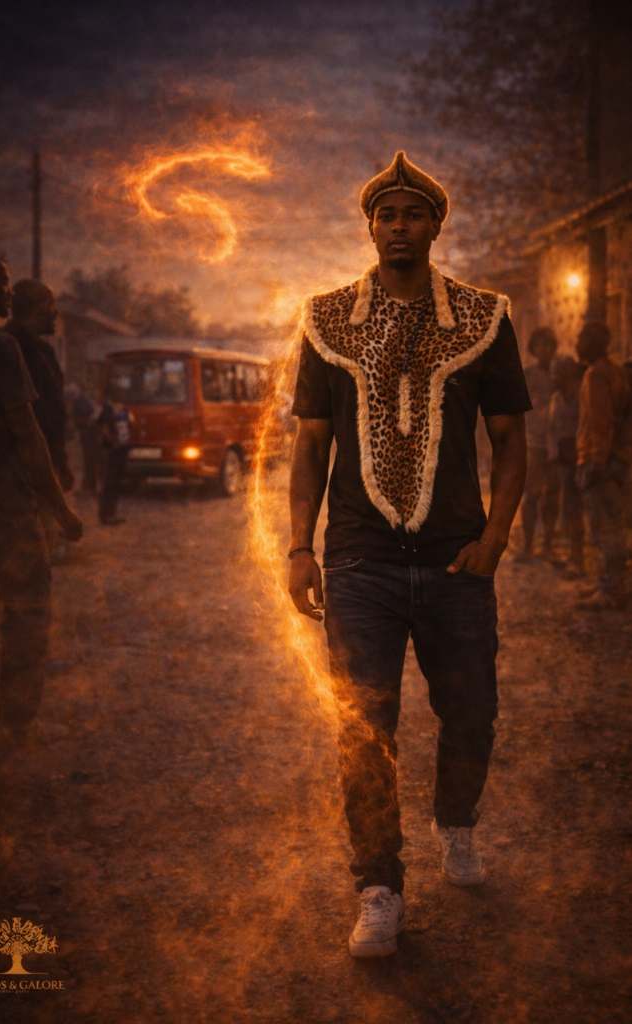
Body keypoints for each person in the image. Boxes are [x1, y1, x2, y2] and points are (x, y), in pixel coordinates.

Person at [288, 151, 530, 958]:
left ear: (434, 225)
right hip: (359, 562)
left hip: (457, 559)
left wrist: (493, 539)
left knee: (471, 712)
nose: (398, 228)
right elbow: (310, 449)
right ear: (369, 226)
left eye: (412, 215)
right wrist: (298, 545)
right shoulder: (326, 321)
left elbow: (509, 439)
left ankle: (455, 823)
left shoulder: (481, 317)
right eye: (385, 216)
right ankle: (379, 887)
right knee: (364, 728)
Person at [0, 253, 83, 756]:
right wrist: (62, 509)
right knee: (26, 606)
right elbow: (28, 435)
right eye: (2, 285)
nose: (7, 295)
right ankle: (15, 718)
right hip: (3, 500)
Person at [6, 279, 74, 556]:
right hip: (22, 468)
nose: (55, 313)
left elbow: (52, 415)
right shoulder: (9, 348)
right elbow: (35, 420)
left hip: (42, 462)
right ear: (33, 309)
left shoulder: (41, 350)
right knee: (28, 554)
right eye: (50, 305)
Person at [574, 322, 631, 610]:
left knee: (605, 529)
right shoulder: (616, 371)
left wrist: (596, 462)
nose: (577, 342)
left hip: (599, 463)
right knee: (613, 526)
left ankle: (611, 591)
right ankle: (608, 584)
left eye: (582, 338)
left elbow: (601, 423)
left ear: (594, 342)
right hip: (616, 461)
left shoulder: (595, 375)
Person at [519, 327, 559, 561]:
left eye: (549, 345)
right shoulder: (527, 375)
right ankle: (527, 546)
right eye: (540, 345)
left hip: (555, 443)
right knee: (531, 494)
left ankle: (549, 543)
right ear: (533, 348)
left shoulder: (561, 373)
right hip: (533, 442)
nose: (544, 349)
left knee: (553, 495)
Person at [547, 356, 586, 576]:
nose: (557, 376)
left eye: (561, 371)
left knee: (584, 511)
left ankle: (581, 560)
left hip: (581, 459)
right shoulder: (556, 398)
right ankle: (575, 558)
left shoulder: (582, 392)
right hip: (564, 462)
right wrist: (554, 457)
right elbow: (552, 430)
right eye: (555, 372)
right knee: (570, 511)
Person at [97, 391, 132, 525]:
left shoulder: (123, 409)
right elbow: (99, 424)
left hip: (122, 449)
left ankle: (113, 512)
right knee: (108, 482)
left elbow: (130, 422)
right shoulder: (105, 408)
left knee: (117, 483)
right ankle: (105, 514)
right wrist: (110, 439)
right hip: (111, 450)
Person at [73, 389, 103, 495]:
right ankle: (90, 487)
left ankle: (89, 487)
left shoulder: (82, 403)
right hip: (91, 437)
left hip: (90, 438)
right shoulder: (87, 403)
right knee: (91, 463)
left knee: (90, 463)